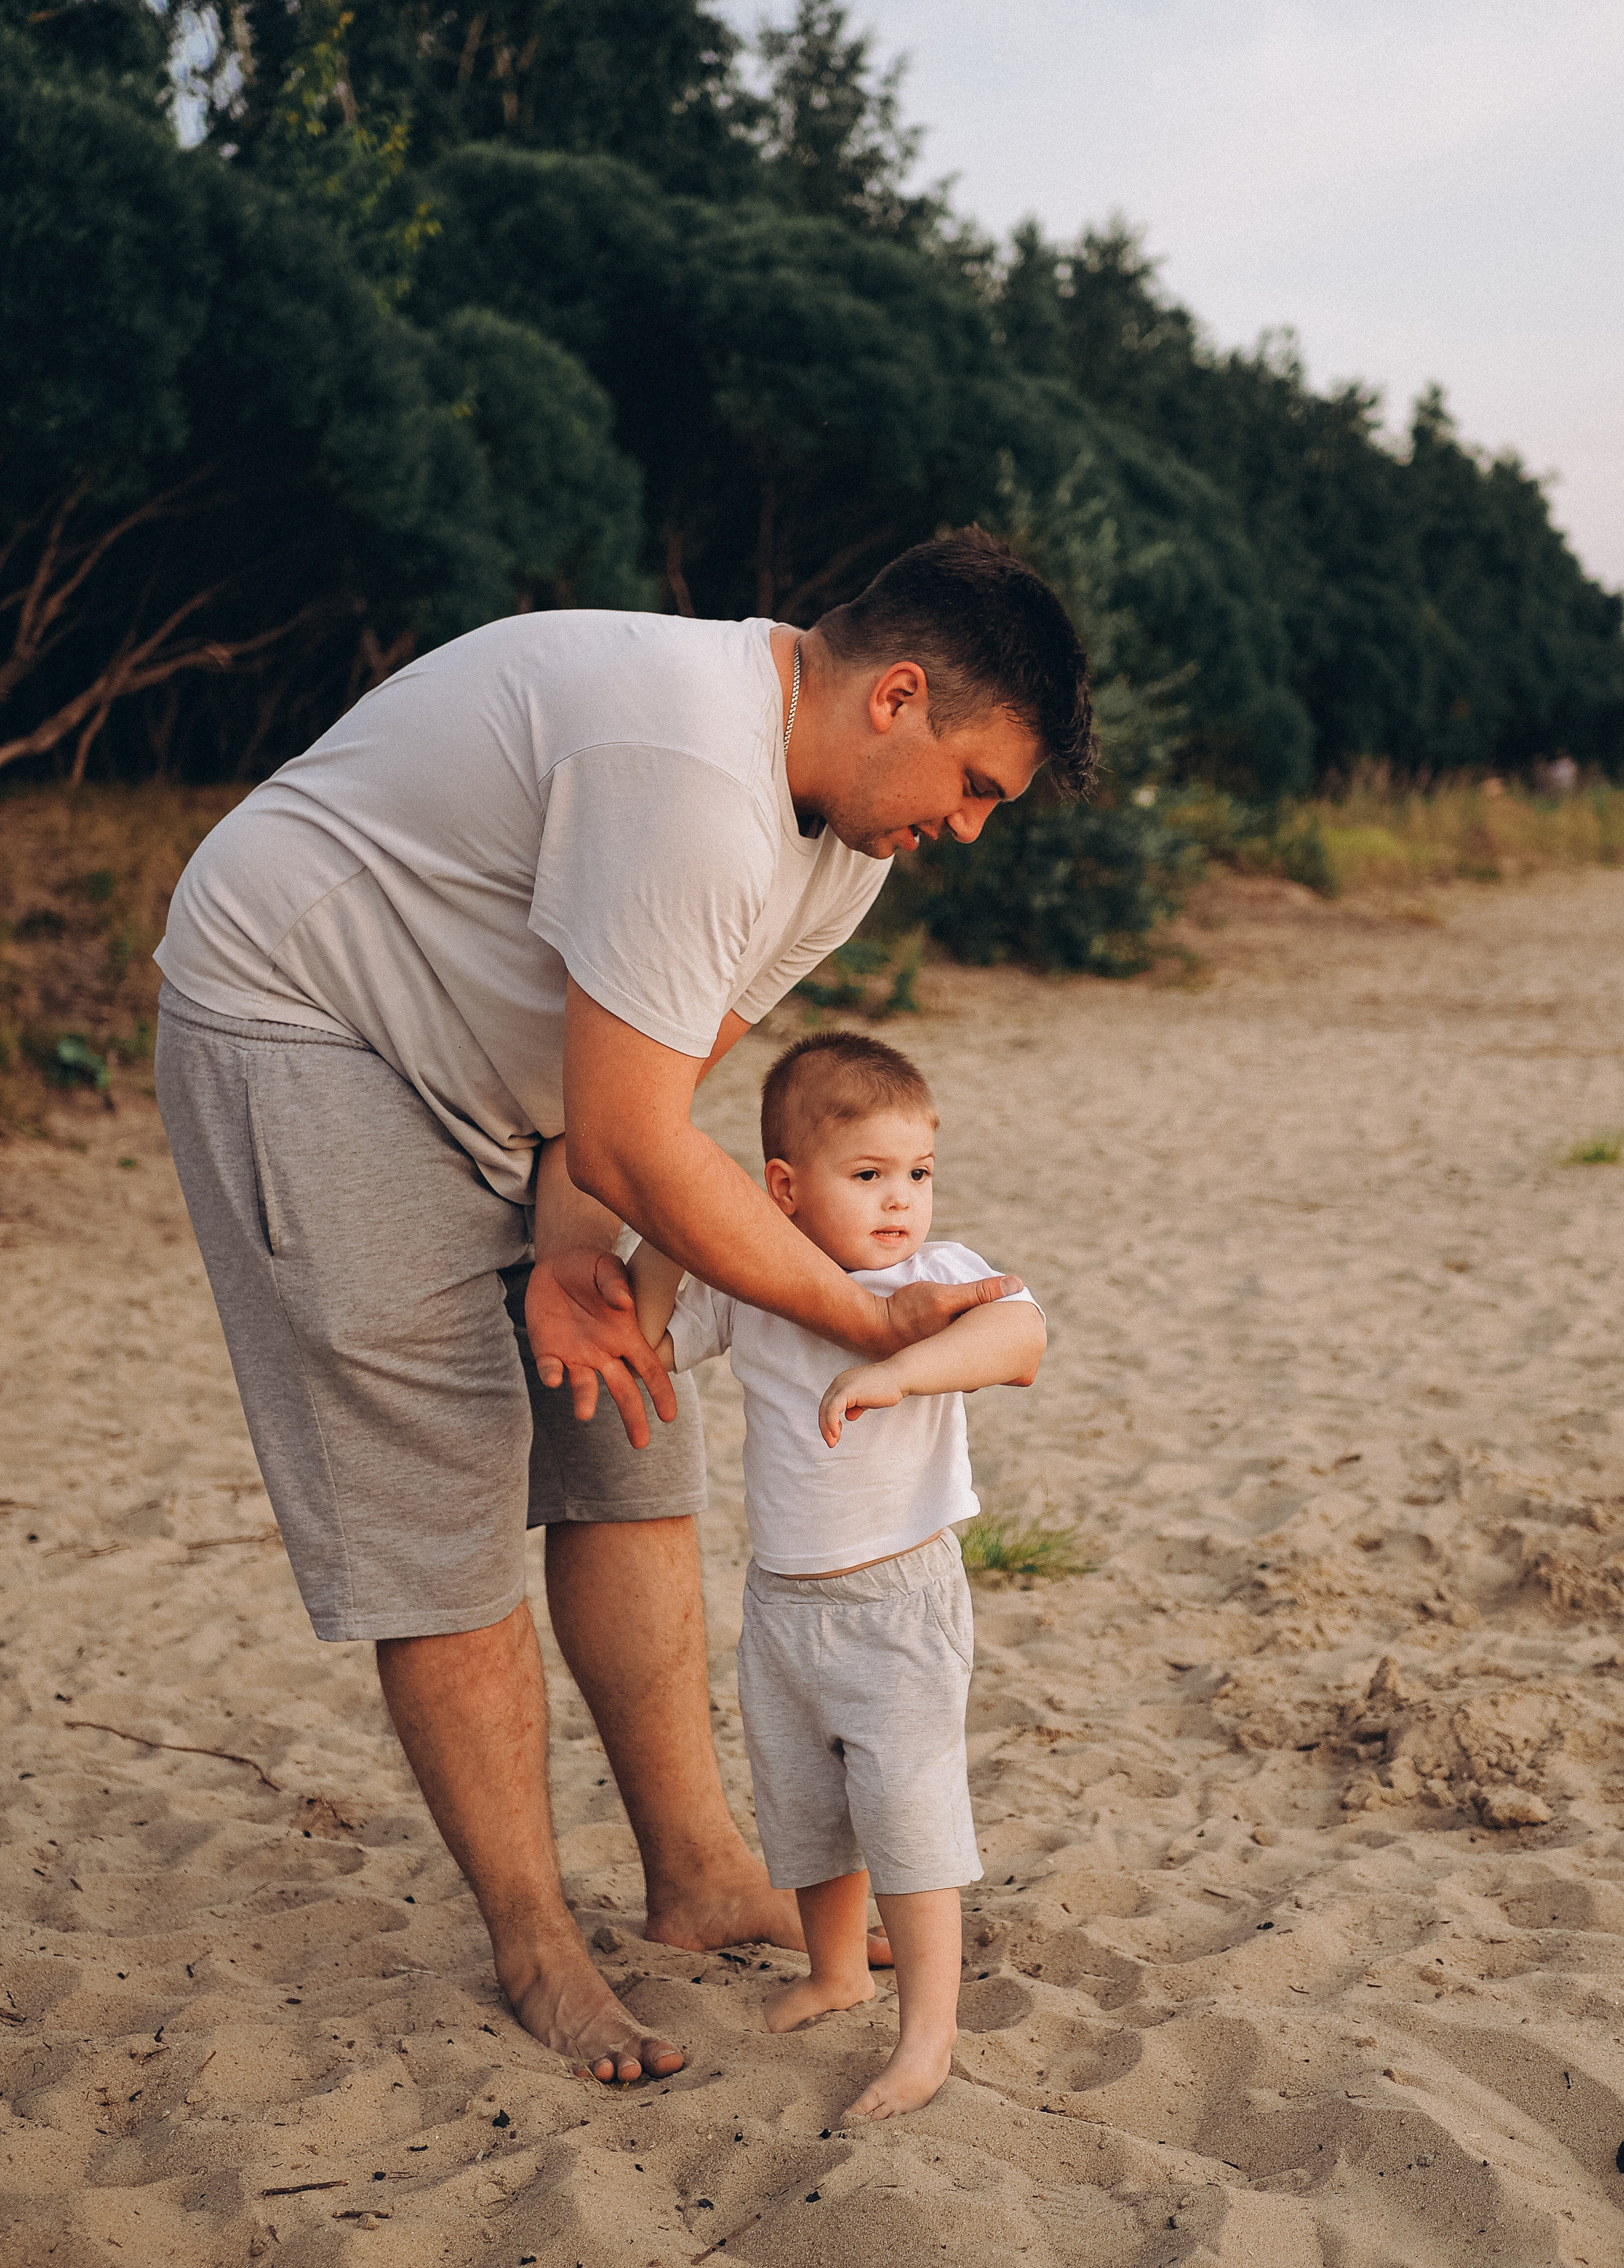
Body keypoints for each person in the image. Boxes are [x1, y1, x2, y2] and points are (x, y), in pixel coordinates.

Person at [150, 528, 1096, 2085]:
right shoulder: (690, 769)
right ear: (899, 698)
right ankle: (536, 1944)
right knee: (440, 1482)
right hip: (304, 1022)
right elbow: (647, 1142)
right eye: (976, 785)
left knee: (626, 1426)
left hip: (510, 1080)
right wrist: (864, 1323)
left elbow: (648, 1091)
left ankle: (700, 1875)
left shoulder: (843, 850)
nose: (970, 829)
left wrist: (575, 1230)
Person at [630, 1033, 1046, 2118]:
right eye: (867, 1175)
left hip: (899, 1599)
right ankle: (833, 1969)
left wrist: (900, 1367)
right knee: (804, 1800)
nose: (900, 1200)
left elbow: (1021, 1337)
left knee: (907, 1809)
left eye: (917, 1173)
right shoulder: (757, 1282)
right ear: (784, 1187)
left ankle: (928, 2035)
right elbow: (648, 1336)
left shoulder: (935, 1274)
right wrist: (682, 1214)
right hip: (783, 1601)